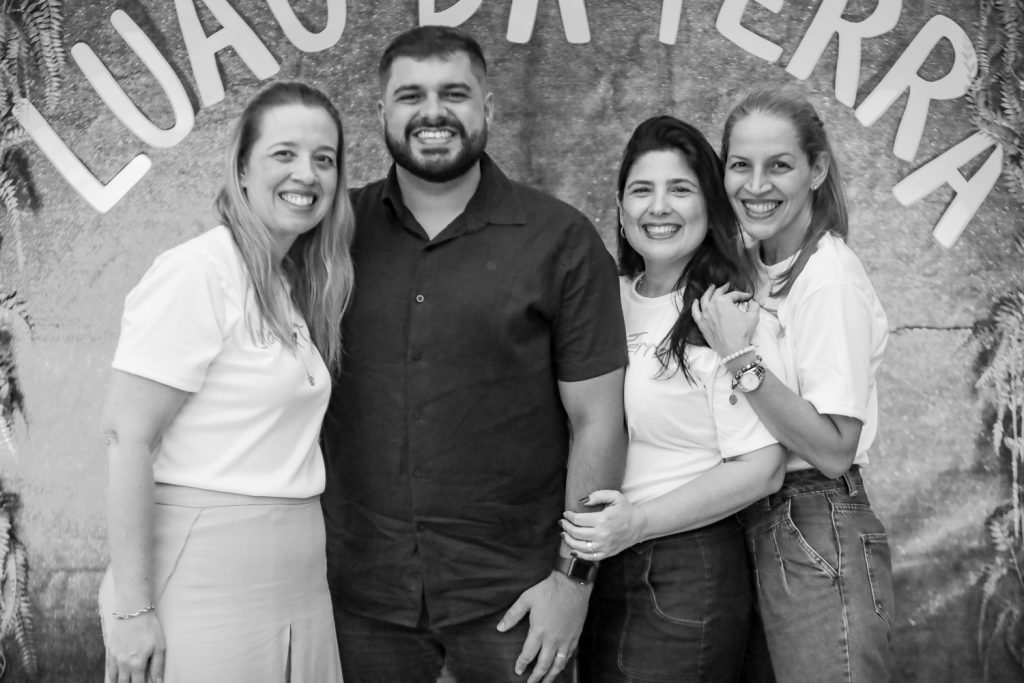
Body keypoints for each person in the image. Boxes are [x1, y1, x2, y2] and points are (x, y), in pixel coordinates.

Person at [320, 26, 627, 683]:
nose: (433, 112)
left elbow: (599, 421)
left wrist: (574, 582)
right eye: (411, 95)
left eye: (454, 93)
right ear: (380, 114)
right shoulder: (328, 239)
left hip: (514, 600)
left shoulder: (561, 240)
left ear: (488, 107)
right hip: (359, 599)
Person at [98, 80, 354, 683]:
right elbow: (126, 438)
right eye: (283, 154)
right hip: (208, 576)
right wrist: (133, 609)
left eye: (325, 159)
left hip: (298, 582)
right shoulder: (197, 272)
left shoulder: (288, 286)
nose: (307, 174)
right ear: (241, 169)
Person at [558, 116, 787, 682]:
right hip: (597, 567)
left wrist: (636, 523)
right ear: (619, 208)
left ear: (710, 206)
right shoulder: (602, 297)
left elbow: (762, 469)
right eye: (642, 190)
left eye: (680, 190)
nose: (659, 207)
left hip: (682, 569)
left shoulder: (727, 313)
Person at [692, 87, 894, 682]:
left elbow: (833, 449)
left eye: (779, 166)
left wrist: (740, 356)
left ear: (817, 170)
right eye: (740, 166)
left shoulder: (828, 280)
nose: (756, 186)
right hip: (755, 519)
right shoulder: (753, 264)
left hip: (816, 520)